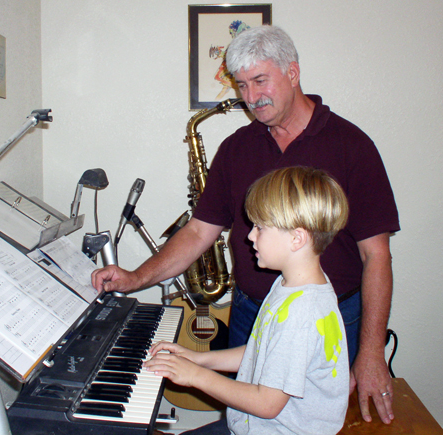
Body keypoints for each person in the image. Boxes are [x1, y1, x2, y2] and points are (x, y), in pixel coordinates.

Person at [92, 25, 399, 424]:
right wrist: (135, 278)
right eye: (241, 85)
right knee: (247, 421)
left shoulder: (352, 145)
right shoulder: (237, 148)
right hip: (256, 311)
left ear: (292, 72)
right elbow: (199, 232)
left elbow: (376, 255)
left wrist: (372, 352)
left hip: (332, 315)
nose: (251, 98)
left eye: (260, 80)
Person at [145, 166, 350, 434]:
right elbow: (260, 351)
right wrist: (198, 359)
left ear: (297, 238)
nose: (250, 236)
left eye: (260, 227)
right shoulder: (291, 285)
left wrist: (196, 376)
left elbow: (267, 404)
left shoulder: (302, 313)